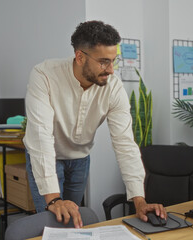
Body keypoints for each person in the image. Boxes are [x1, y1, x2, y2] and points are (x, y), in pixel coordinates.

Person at [23, 20, 166, 228]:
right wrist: (53, 199)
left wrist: (139, 200)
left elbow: (125, 143)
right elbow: (40, 136)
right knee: (54, 223)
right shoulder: (44, 75)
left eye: (113, 61)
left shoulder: (113, 88)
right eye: (103, 62)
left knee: (75, 224)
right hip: (46, 157)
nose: (111, 70)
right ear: (80, 57)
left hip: (80, 159)